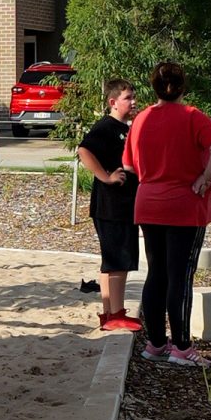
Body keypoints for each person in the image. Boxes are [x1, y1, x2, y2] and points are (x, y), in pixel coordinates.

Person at [125, 60, 211, 365]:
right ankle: (182, 348)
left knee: (156, 273)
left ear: (154, 86)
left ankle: (156, 343)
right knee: (180, 276)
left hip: (149, 203)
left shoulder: (141, 118)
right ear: (182, 86)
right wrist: (205, 176)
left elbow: (130, 164)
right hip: (184, 204)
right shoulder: (191, 115)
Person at [78, 80, 141, 332]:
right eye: (128, 97)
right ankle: (116, 314)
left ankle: (109, 313)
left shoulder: (125, 128)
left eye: (134, 97)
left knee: (111, 261)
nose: (133, 101)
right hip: (112, 206)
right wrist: (106, 176)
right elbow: (84, 150)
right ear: (113, 102)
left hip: (121, 206)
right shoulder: (106, 126)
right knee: (118, 261)